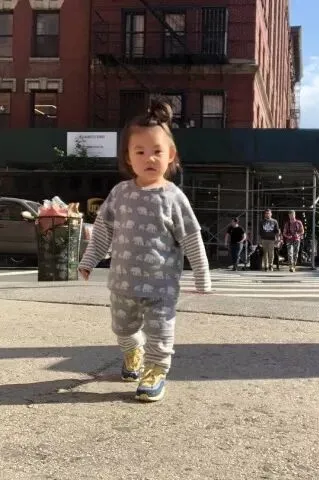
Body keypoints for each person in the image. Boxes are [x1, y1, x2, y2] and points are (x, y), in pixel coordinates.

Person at [78, 100, 211, 403]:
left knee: (160, 331)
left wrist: (202, 275)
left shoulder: (173, 197)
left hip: (161, 286)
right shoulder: (119, 193)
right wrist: (89, 260)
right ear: (128, 156)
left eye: (157, 151)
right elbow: (103, 231)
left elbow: (191, 237)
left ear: (170, 155)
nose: (149, 158)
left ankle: (156, 370)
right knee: (122, 329)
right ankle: (132, 352)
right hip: (122, 283)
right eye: (140, 152)